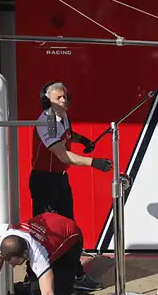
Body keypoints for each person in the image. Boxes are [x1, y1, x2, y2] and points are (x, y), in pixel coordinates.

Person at [0, 212, 97, 295]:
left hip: (70, 235)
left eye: (16, 263)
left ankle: (75, 279)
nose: (12, 266)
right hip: (48, 223)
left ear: (25, 254)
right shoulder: (7, 239)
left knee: (59, 291)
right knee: (34, 285)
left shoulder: (39, 256)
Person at [31, 81, 112, 219]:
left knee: (68, 222)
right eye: (58, 98)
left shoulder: (63, 115)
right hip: (45, 180)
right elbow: (63, 156)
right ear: (47, 101)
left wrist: (83, 140)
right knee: (48, 227)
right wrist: (94, 162)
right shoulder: (48, 122)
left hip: (60, 178)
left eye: (65, 97)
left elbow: (68, 134)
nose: (63, 101)